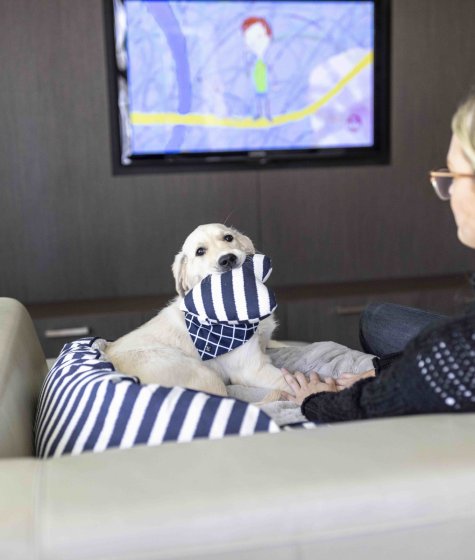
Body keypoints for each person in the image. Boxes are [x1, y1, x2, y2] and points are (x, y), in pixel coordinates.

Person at [282, 92, 475, 422]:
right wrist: (385, 369)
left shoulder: (459, 357)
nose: (449, 192)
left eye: (454, 177)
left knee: (379, 323)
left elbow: (363, 406)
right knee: (378, 319)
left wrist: (314, 399)